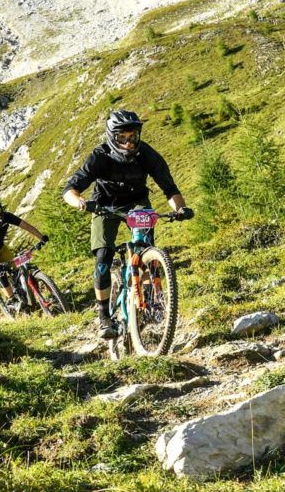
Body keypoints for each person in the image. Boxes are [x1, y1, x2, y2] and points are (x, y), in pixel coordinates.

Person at [62, 110, 193, 338]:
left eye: (132, 136)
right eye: (122, 138)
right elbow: (69, 190)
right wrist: (81, 202)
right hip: (104, 206)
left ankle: (150, 300)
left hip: (137, 204)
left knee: (145, 249)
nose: (129, 142)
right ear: (112, 137)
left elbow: (169, 188)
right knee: (103, 257)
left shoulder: (147, 154)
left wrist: (180, 209)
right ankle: (104, 316)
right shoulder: (100, 156)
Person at [0, 195, 48, 308]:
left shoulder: (6, 216)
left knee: (17, 268)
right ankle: (11, 300)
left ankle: (26, 293)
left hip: (1, 248)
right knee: (0, 274)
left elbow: (26, 226)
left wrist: (41, 237)